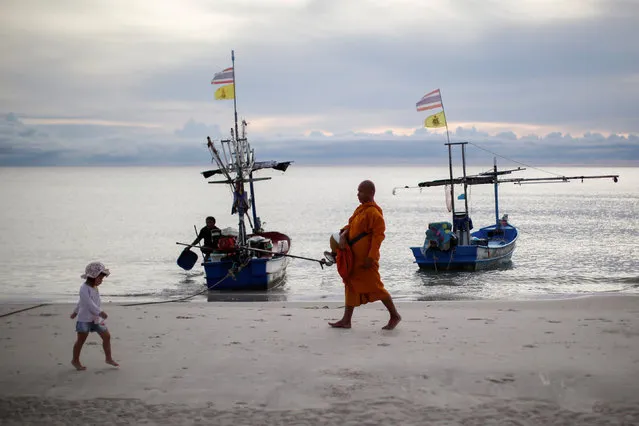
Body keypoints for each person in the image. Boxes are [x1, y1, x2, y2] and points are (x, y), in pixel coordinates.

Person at [328, 180, 402, 330]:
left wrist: (371, 257)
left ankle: (394, 315)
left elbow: (378, 237)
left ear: (369, 193)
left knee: (375, 286)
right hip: (353, 257)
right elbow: (350, 224)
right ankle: (346, 320)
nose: (357, 194)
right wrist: (343, 234)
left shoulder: (374, 213)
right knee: (350, 285)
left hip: (365, 259)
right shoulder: (360, 210)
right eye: (357, 191)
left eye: (360, 191)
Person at [70, 261, 119, 370]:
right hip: (85, 319)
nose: (101, 281)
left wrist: (75, 311)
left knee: (107, 336)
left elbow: (83, 302)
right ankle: (75, 360)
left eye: (102, 279)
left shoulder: (94, 287)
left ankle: (108, 358)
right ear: (93, 277)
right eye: (100, 278)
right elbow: (86, 302)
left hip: (96, 319)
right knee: (81, 340)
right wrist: (100, 312)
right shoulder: (84, 288)